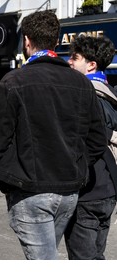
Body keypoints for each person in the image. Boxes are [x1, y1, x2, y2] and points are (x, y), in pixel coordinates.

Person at [0, 10, 107, 260]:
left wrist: (8, 180)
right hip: (67, 190)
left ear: (27, 41)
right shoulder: (81, 83)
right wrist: (78, 169)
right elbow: (97, 139)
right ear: (55, 41)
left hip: (32, 188)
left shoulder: (13, 82)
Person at [64, 35, 117, 260]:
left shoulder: (87, 94)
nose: (69, 62)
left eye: (75, 58)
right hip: (109, 188)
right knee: (96, 257)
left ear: (91, 64)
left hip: (89, 191)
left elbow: (91, 142)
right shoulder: (110, 92)